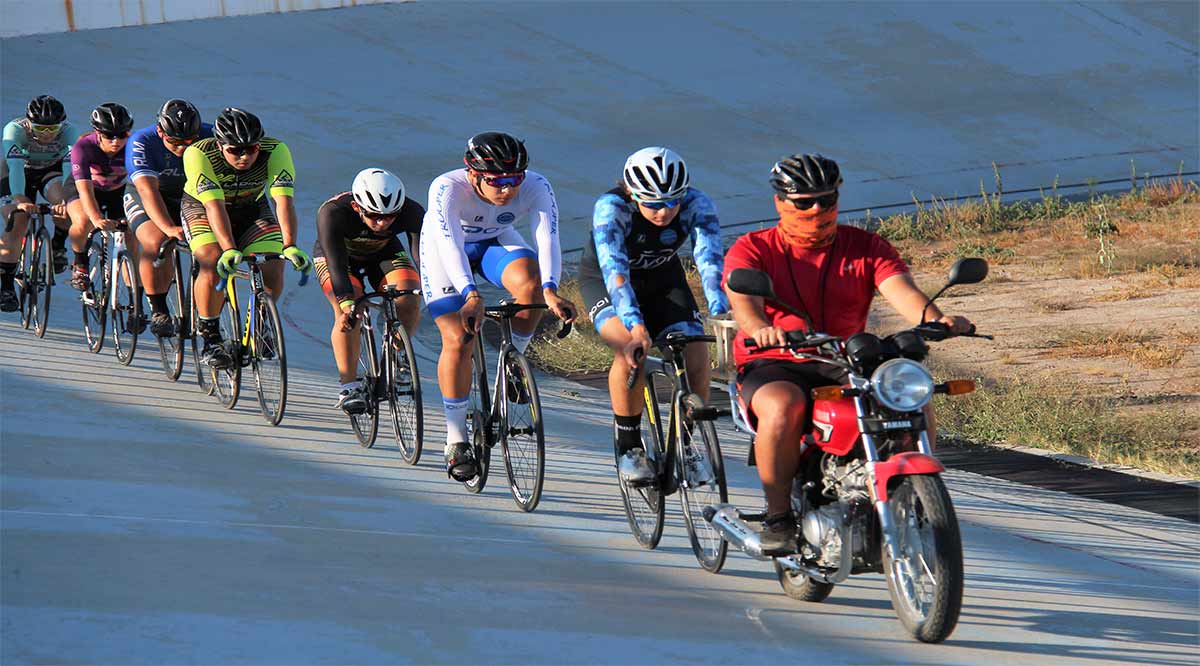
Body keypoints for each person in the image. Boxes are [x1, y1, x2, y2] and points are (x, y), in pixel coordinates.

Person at [723, 153, 973, 555]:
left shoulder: (866, 246)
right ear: (780, 203)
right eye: (804, 202)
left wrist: (937, 319)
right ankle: (778, 515)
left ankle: (917, 496)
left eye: (826, 199)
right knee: (784, 406)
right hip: (777, 359)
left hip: (845, 358)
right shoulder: (752, 249)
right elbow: (746, 308)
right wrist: (762, 330)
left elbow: (901, 290)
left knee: (911, 399)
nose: (817, 209)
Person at [420, 131, 575, 481]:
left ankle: (513, 369)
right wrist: (471, 294)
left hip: (495, 241)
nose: (508, 190)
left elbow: (547, 237)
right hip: (445, 252)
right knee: (459, 338)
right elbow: (449, 245)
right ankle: (456, 438)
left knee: (532, 284)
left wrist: (550, 290)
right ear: (472, 174)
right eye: (498, 181)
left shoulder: (537, 186)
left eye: (515, 179)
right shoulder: (446, 187)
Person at [578, 146, 729, 484]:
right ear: (633, 194)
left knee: (696, 351)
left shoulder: (697, 204)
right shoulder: (611, 208)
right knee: (630, 350)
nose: (664, 212)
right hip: (607, 280)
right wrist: (635, 325)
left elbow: (709, 261)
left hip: (663, 278)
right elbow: (615, 272)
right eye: (653, 204)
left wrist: (719, 312)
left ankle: (685, 446)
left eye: (672, 202)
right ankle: (629, 446)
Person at [181, 107, 310, 369]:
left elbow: (283, 201)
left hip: (252, 208)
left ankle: (262, 323)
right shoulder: (199, 153)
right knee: (212, 259)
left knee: (274, 262)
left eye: (252, 149)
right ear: (219, 146)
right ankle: (210, 335)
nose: (245, 156)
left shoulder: (275, 151)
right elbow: (214, 207)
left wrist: (290, 244)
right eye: (235, 150)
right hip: (203, 207)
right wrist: (228, 248)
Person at [314, 168, 424, 413]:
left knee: (409, 296)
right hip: (339, 258)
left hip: (383, 253)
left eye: (390, 216)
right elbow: (336, 266)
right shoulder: (332, 213)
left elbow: (421, 256)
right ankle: (349, 386)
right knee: (351, 310)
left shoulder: (413, 211)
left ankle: (397, 355)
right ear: (357, 207)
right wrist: (345, 305)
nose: (382, 222)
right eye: (374, 216)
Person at [124, 99, 213, 338]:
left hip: (188, 197)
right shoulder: (142, 142)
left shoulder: (210, 135)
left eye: (189, 141)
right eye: (175, 142)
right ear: (161, 131)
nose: (183, 148)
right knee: (156, 241)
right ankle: (158, 309)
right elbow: (147, 191)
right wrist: (168, 227)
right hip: (150, 194)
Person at [0, 95, 81, 311]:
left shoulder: (69, 132)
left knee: (66, 206)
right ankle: (6, 287)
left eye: (52, 129)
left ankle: (57, 247)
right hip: (15, 171)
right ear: (29, 123)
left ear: (61, 124)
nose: (47, 134)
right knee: (17, 221)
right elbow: (15, 168)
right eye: (40, 129)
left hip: (50, 170)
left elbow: (69, 169)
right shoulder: (14, 130)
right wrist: (19, 199)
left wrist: (65, 200)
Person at [66, 102, 134, 296]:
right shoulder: (83, 147)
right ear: (97, 133)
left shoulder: (134, 145)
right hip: (84, 188)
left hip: (117, 191)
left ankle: (134, 295)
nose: (116, 141)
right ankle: (80, 263)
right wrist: (96, 218)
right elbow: (85, 192)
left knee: (132, 233)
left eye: (122, 134)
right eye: (109, 135)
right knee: (84, 220)